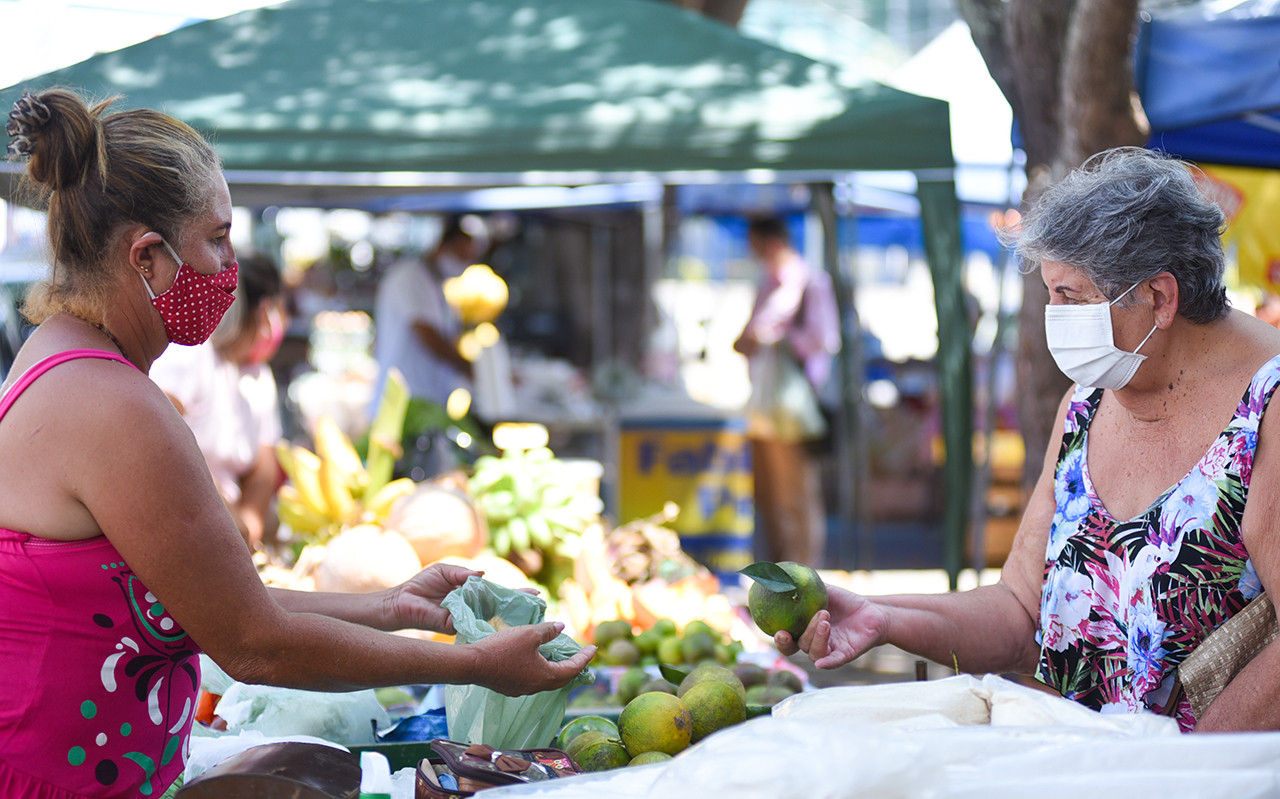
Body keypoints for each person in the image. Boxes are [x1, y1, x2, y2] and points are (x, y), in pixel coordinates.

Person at [0, 89, 594, 798]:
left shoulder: (58, 355)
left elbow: (226, 601)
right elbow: (255, 644)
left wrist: (392, 607)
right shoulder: (118, 406)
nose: (230, 265)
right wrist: (476, 665)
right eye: (217, 238)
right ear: (148, 258)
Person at [779, 147, 1280, 733]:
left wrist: (1180, 772)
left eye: (1070, 296)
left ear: (1160, 298)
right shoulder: (1086, 406)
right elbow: (1020, 611)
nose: (1053, 314)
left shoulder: (1265, 410)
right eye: (1050, 292)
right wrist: (882, 617)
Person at [149, 253, 288, 553]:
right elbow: (157, 432)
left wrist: (250, 525)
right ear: (264, 312)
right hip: (186, 525)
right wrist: (226, 514)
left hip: (231, 534)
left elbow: (265, 463)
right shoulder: (192, 356)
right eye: (280, 310)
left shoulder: (258, 375)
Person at [733, 216, 840, 566]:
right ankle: (780, 575)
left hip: (795, 410)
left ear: (771, 242)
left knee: (797, 498)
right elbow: (747, 340)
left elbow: (823, 340)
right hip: (764, 410)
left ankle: (803, 575)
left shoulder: (810, 283)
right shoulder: (768, 283)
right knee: (770, 499)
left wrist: (777, 339)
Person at [373, 216, 480, 476]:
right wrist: (468, 367)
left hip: (426, 403)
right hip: (405, 404)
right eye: (461, 254)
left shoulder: (436, 284)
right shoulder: (411, 277)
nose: (464, 263)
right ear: (444, 245)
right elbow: (426, 334)